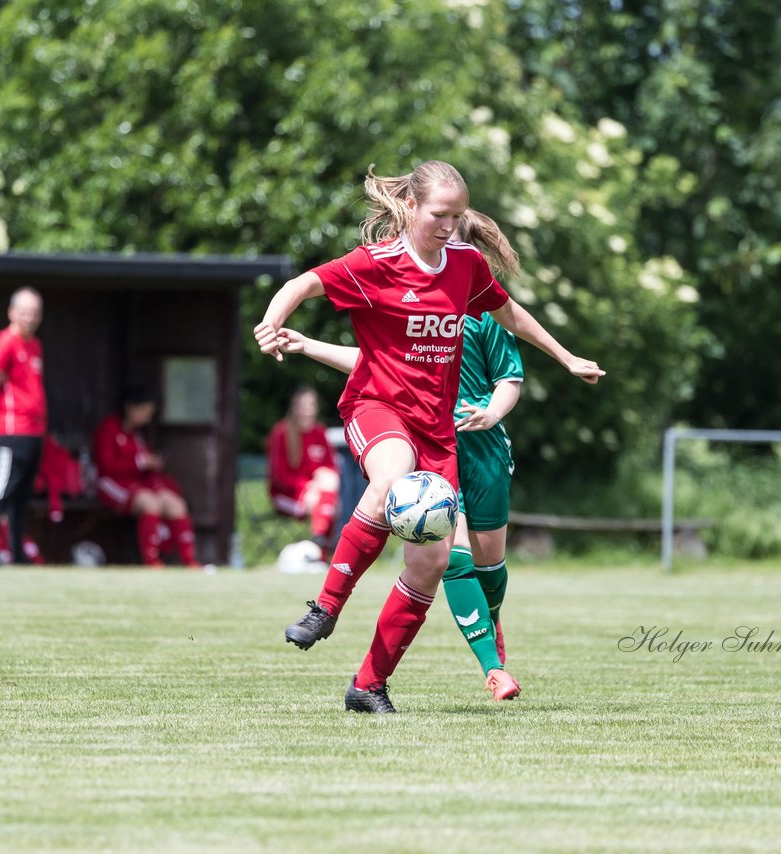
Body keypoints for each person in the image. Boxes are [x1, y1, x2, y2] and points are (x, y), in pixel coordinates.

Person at [253, 160, 604, 714]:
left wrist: (565, 358)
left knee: (433, 563)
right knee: (391, 478)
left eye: (458, 216)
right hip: (377, 408)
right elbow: (304, 283)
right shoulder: (377, 263)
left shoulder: (464, 265)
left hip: (436, 430)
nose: (449, 225)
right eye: (440, 214)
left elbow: (509, 313)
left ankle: (368, 685)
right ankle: (325, 606)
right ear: (411, 207)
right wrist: (272, 323)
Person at [277, 209, 527, 703]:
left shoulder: (478, 308)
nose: (443, 238)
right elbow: (376, 362)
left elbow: (510, 376)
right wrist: (303, 342)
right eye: (440, 221)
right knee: (443, 550)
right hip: (409, 428)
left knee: (473, 567)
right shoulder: (399, 276)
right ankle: (491, 668)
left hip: (479, 452)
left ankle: (371, 684)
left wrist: (496, 410)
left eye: (454, 229)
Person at [92, 384, 202, 568]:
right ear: (130, 407)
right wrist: (140, 462)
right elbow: (106, 466)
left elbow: (141, 463)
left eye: (149, 412)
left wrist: (151, 463)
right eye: (143, 411)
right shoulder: (109, 427)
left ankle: (190, 561)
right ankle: (152, 562)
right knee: (150, 503)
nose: (146, 417)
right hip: (111, 484)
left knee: (175, 503)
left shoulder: (138, 434)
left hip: (137, 483)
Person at [0, 287, 46, 566]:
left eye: (34, 312)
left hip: (33, 433)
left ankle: (18, 554)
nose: (28, 317)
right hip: (11, 433)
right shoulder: (4, 342)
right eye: (24, 311)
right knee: (0, 491)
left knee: (22, 497)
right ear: (11, 312)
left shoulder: (35, 346)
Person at [266, 386, 340, 558]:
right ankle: (320, 550)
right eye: (302, 406)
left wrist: (320, 480)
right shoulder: (281, 433)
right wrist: (306, 487)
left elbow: (331, 467)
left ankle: (318, 542)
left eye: (310, 405)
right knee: (324, 501)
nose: (306, 411)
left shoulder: (320, 433)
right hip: (286, 496)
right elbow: (279, 477)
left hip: (317, 493)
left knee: (330, 485)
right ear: (294, 407)